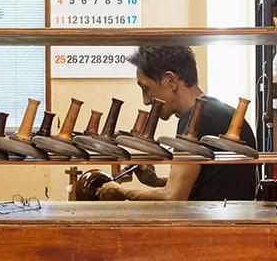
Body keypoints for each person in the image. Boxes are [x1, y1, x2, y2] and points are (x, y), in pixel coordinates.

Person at [98, 46, 256, 201]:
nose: (145, 101)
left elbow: (173, 197)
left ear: (170, 81)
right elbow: (207, 184)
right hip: (230, 221)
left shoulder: (195, 120)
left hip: (219, 225)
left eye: (146, 88)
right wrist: (155, 181)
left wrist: (121, 191)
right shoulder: (218, 111)